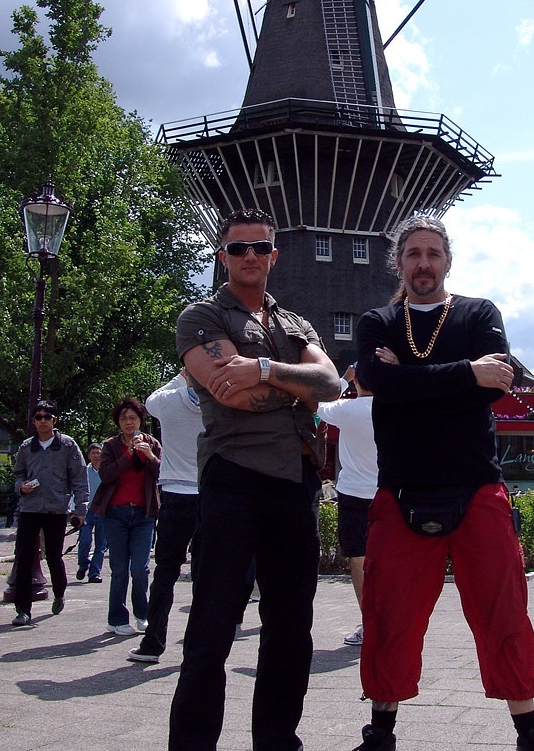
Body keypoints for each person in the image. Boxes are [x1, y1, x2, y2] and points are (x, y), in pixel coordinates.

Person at [353, 215, 534, 751]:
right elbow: (377, 380)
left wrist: (409, 381)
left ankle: (529, 733)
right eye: (413, 254)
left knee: (503, 612)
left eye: (433, 253)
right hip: (402, 488)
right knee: (390, 616)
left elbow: (496, 385)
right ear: (398, 262)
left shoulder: (479, 312)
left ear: (448, 261)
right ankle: (380, 734)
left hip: (477, 485)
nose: (423, 263)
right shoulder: (377, 321)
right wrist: (467, 372)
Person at [169, 208, 341, 751]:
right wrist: (298, 389)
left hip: (296, 482)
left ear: (274, 255)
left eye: (260, 248)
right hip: (235, 478)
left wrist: (264, 370)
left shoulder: (295, 323)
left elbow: (331, 383)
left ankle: (277, 741)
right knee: (213, 623)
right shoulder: (202, 317)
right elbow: (233, 395)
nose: (250, 256)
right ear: (222, 256)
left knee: (291, 627)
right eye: (239, 248)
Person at [129, 369, 203, 664]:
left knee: (165, 573)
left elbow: (150, 400)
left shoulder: (168, 401)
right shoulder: (222, 402)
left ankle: (153, 643)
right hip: (208, 492)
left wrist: (182, 376)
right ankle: (198, 649)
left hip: (175, 494)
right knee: (205, 576)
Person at [316, 363, 378, 646]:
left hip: (353, 493)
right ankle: (392, 620)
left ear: (357, 382)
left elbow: (318, 403)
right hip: (388, 492)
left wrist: (343, 380)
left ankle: (369, 623)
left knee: (358, 558)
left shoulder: (347, 409)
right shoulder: (395, 408)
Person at [10, 400, 87, 627]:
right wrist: (21, 487)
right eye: (38, 417)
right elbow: (17, 474)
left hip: (56, 509)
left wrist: (80, 510)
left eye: (47, 417)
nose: (42, 421)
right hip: (30, 508)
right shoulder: (26, 447)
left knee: (54, 556)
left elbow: (79, 478)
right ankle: (23, 610)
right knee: (24, 557)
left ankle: (59, 593)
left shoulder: (67, 445)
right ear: (33, 421)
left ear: (55, 420)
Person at [91, 397, 162, 636]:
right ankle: (117, 619)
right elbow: (106, 474)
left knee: (140, 568)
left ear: (141, 420)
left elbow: (163, 473)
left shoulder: (152, 443)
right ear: (118, 423)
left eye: (133, 418)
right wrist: (128, 454)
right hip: (115, 513)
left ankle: (142, 614)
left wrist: (149, 456)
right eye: (124, 419)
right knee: (119, 568)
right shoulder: (110, 446)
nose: (129, 422)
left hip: (144, 514)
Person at [76, 443, 106, 583]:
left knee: (101, 545)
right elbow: (76, 491)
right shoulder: (84, 472)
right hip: (87, 512)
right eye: (93, 453)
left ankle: (94, 572)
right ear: (88, 456)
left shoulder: (107, 471)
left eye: (98, 452)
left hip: (104, 512)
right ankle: (83, 565)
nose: (96, 455)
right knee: (84, 541)